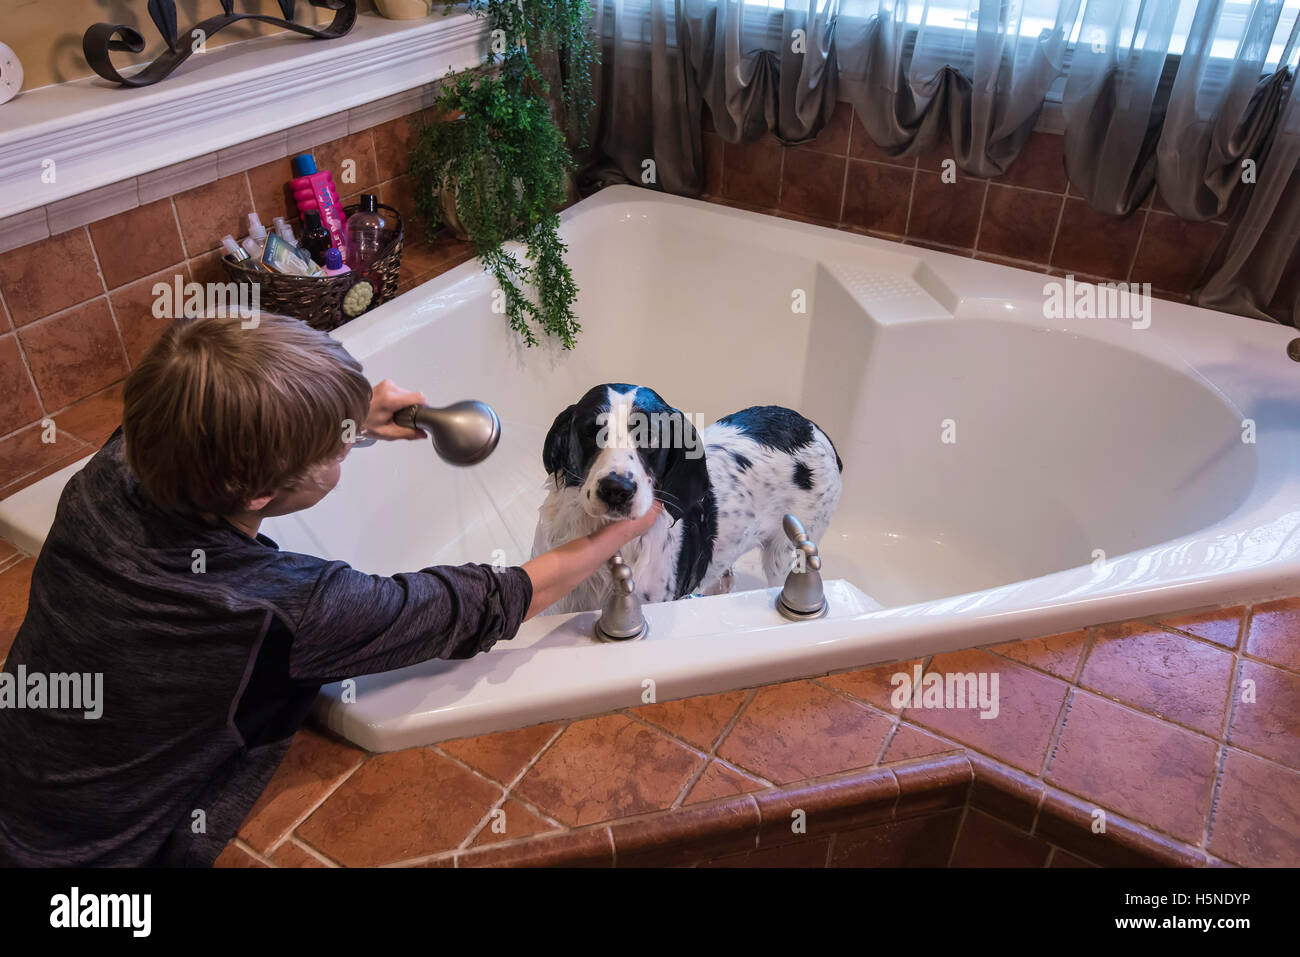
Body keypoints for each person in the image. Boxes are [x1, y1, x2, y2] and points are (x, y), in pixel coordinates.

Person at [0, 313, 659, 866]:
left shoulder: (107, 472)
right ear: (260, 492)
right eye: (333, 448)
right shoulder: (283, 608)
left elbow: (206, 422)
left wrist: (348, 415)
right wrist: (616, 529)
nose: (344, 448)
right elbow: (484, 599)